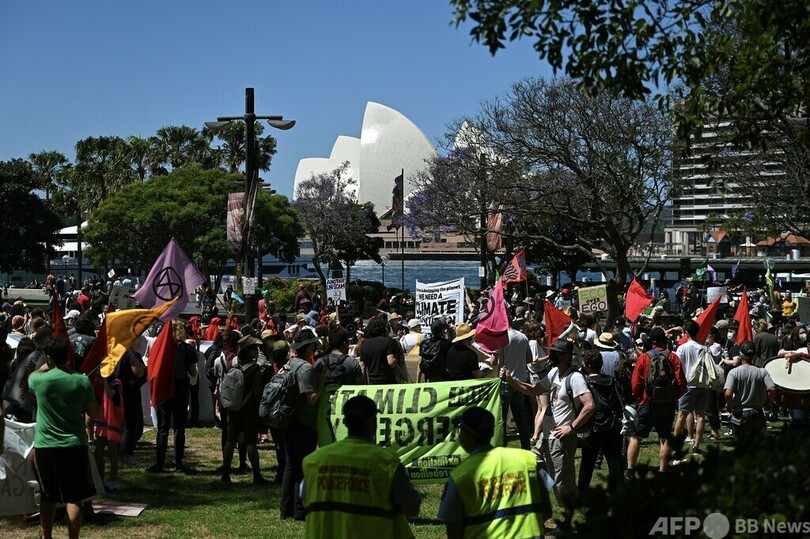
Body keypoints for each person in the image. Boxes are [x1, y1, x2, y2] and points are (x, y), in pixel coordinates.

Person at [500, 339, 594, 527]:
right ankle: (539, 516)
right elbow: (533, 390)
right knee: (533, 473)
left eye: (555, 353)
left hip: (561, 440)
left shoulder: (575, 378)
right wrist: (511, 380)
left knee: (562, 484)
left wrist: (571, 427)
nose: (551, 355)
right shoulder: (553, 373)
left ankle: (567, 523)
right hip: (544, 437)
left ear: (566, 357)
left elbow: (590, 405)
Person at [302, 395, 421, 538]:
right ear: (372, 423)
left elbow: (304, 499)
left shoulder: (314, 461)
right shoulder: (385, 462)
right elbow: (412, 507)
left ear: (346, 422)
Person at [438, 406, 550, 539]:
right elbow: (547, 511)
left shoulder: (460, 477)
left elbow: (453, 529)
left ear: (467, 436)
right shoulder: (527, 459)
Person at [28, 336, 100, 539]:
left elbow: (31, 375)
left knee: (47, 496)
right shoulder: (81, 380)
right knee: (74, 498)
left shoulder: (39, 381)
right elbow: (94, 413)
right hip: (75, 445)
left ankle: (46, 535)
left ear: (49, 358)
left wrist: (45, 366)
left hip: (46, 446)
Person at [626, 327, 686, 478]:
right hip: (667, 404)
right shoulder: (673, 357)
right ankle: (662, 471)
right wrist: (673, 397)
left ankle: (630, 470)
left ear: (651, 342)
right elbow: (681, 382)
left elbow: (635, 383)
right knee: (664, 438)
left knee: (636, 437)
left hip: (646, 402)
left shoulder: (644, 358)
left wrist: (638, 398)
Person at [280, 328, 322, 521]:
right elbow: (311, 398)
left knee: (291, 465)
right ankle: (299, 510)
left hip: (288, 420)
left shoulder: (289, 364)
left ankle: (285, 509)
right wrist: (322, 383)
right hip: (303, 423)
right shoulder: (305, 368)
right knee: (302, 466)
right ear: (309, 347)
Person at [148, 320, 198, 473]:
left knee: (163, 428)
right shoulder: (187, 349)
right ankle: (179, 462)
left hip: (164, 389)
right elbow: (193, 372)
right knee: (179, 427)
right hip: (181, 389)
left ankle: (160, 462)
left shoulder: (161, 347)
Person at [220, 335, 271, 484]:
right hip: (249, 410)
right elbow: (259, 392)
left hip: (233, 408)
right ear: (248, 351)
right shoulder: (254, 369)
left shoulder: (234, 366)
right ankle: (256, 475)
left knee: (230, 440)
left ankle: (225, 473)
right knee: (251, 442)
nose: (256, 351)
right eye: (254, 348)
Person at [576, 350, 624, 493]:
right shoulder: (611, 380)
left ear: (588, 366)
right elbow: (621, 399)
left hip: (593, 427)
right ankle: (618, 491)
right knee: (614, 462)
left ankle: (582, 491)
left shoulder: (585, 383)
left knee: (587, 463)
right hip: (613, 425)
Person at [724, 341, 776, 442]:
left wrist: (729, 406)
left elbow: (728, 393)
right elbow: (772, 389)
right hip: (758, 413)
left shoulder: (734, 372)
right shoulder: (762, 371)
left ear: (741, 354)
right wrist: (768, 401)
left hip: (740, 414)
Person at [673, 319, 711, 453]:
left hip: (688, 384)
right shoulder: (705, 348)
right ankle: (697, 446)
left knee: (681, 415)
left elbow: (677, 365)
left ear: (687, 332)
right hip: (702, 384)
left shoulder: (682, 348)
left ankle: (675, 445)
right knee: (701, 416)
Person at [495, 325, 533, 449]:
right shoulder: (523, 337)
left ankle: (503, 447)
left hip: (505, 382)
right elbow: (529, 359)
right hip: (520, 382)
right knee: (520, 418)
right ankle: (526, 447)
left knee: (502, 419)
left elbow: (493, 361)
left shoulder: (501, 337)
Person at [359, 316, 401, 384]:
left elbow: (362, 367)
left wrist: (365, 383)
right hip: (387, 380)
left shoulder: (365, 344)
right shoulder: (388, 341)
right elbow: (391, 362)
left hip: (372, 380)